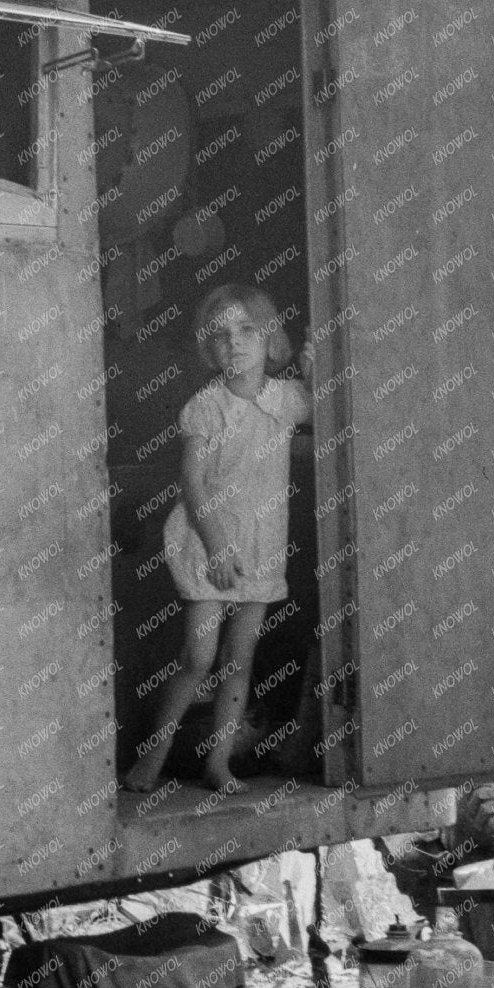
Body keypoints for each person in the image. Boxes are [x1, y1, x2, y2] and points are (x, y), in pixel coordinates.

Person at [124, 285, 312, 793]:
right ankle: (152, 760)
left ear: (269, 338)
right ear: (210, 347)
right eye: (222, 335)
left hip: (261, 542)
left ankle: (218, 763)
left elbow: (328, 410)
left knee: (239, 659)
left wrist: (316, 368)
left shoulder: (287, 398)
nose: (236, 342)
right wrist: (218, 547)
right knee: (199, 658)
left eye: (248, 330)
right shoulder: (205, 407)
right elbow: (193, 483)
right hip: (209, 543)